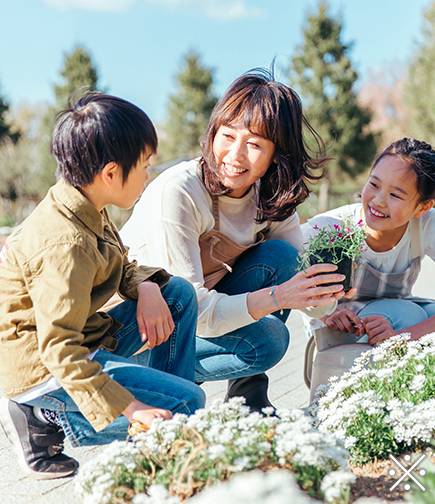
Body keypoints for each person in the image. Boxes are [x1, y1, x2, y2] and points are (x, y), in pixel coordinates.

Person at [0, 94, 206, 480]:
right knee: (188, 403)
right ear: (109, 173)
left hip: (80, 339)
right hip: (45, 367)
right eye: (145, 167)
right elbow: (59, 349)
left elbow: (120, 266)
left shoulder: (87, 203)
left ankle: (162, 437)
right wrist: (133, 408)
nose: (148, 177)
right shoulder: (63, 244)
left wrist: (149, 288)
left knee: (178, 296)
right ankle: (41, 416)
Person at [120, 69, 346, 412]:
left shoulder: (271, 197)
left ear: (276, 154)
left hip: (197, 319)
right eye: (227, 136)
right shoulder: (179, 191)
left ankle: (246, 396)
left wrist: (327, 293)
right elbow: (193, 308)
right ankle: (150, 381)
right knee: (268, 340)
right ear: (213, 133)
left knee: (282, 258)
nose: (235, 155)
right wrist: (278, 296)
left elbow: (301, 283)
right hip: (138, 332)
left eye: (254, 144)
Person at [303, 138, 435, 345]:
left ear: (423, 208)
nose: (378, 200)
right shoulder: (333, 226)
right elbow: (286, 276)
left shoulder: (429, 224)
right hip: (340, 322)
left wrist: (404, 337)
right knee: (407, 316)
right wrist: (326, 315)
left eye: (395, 195)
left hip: (395, 313)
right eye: (374, 184)